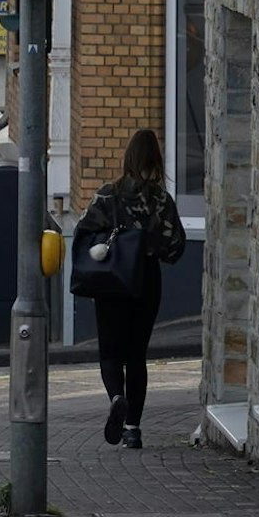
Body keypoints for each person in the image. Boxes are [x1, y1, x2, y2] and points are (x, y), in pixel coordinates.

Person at [75, 129, 186, 450]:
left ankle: (116, 397)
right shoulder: (162, 201)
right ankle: (133, 428)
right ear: (156, 160)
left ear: (128, 158)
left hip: (111, 278)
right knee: (136, 355)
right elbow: (175, 249)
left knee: (110, 351)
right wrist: (149, 244)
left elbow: (84, 231)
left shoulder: (108, 195)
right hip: (145, 281)